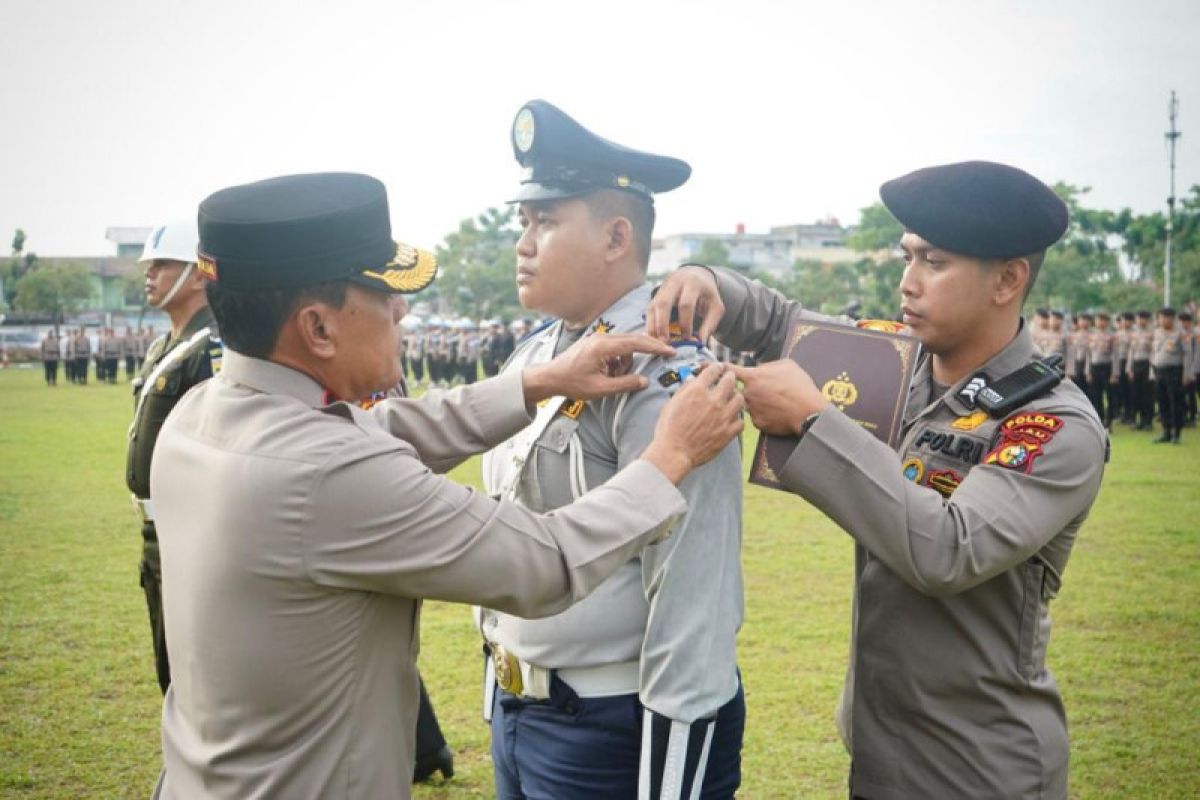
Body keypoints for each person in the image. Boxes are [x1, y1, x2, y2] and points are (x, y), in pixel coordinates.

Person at [149, 171, 743, 800]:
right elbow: (543, 560)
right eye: (381, 293)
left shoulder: (199, 415)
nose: (401, 310)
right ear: (318, 328)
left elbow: (381, 428)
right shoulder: (326, 473)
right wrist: (670, 455)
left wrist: (539, 382)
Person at [649, 160, 1108, 799]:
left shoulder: (1052, 423)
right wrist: (706, 278)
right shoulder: (905, 368)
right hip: (880, 751)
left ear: (1008, 280)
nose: (907, 282)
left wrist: (814, 420)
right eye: (907, 256)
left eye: (935, 263)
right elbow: (782, 323)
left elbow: (949, 550)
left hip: (979, 769)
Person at [479, 100, 745, 800]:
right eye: (523, 222)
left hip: (609, 728)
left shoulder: (665, 369)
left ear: (616, 236)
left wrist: (672, 772)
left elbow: (692, 592)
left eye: (546, 221)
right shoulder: (538, 354)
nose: (523, 243)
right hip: (525, 711)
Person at [126, 218, 223, 694]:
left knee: (193, 673)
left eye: (163, 264)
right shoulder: (165, 346)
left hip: (192, 529)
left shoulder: (212, 346)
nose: (150, 274)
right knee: (168, 664)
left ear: (201, 274)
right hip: (157, 528)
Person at [1150, 307, 1188, 443]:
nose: (1162, 320)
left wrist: (1186, 374)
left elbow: (1186, 354)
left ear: (1172, 318)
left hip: (1175, 371)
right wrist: (1152, 371)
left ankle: (1176, 433)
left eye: (1165, 317)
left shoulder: (1180, 333)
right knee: (1162, 402)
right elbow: (1153, 353)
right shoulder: (1156, 333)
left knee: (1175, 402)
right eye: (1160, 317)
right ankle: (1165, 431)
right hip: (1159, 370)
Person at [1126, 310, 1155, 430]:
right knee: (1136, 393)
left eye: (1143, 318)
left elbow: (1154, 352)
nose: (1140, 321)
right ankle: (1138, 420)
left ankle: (1148, 420)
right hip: (1136, 364)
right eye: (1138, 318)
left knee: (1147, 394)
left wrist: (1153, 370)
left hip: (1148, 364)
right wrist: (1129, 368)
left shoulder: (1153, 333)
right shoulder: (1133, 333)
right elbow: (1131, 352)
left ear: (1147, 320)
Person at [1087, 311, 1116, 429]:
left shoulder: (1112, 336)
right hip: (1094, 367)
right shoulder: (1091, 336)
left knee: (1110, 396)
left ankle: (1109, 421)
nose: (1101, 323)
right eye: (1099, 320)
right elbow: (1088, 355)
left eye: (1103, 320)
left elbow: (1115, 355)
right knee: (1096, 395)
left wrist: (1115, 373)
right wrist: (1088, 371)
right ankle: (1099, 419)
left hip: (1107, 367)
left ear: (1107, 322)